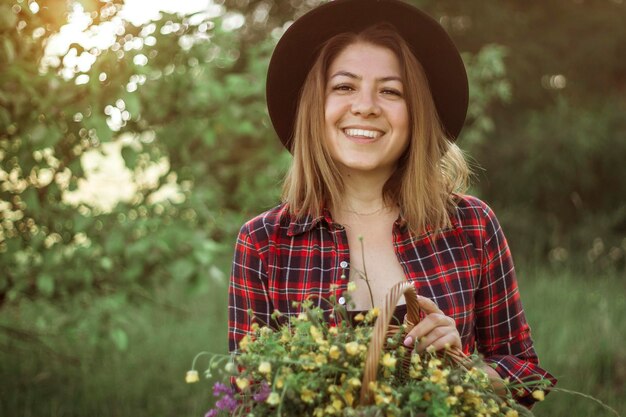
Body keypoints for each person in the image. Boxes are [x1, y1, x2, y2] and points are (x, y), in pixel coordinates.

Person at [228, 0, 555, 406]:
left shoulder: (471, 225)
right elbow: (246, 398)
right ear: (316, 107)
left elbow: (527, 377)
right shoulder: (265, 242)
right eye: (344, 86)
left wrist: (466, 368)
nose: (365, 106)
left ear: (415, 112)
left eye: (390, 91)